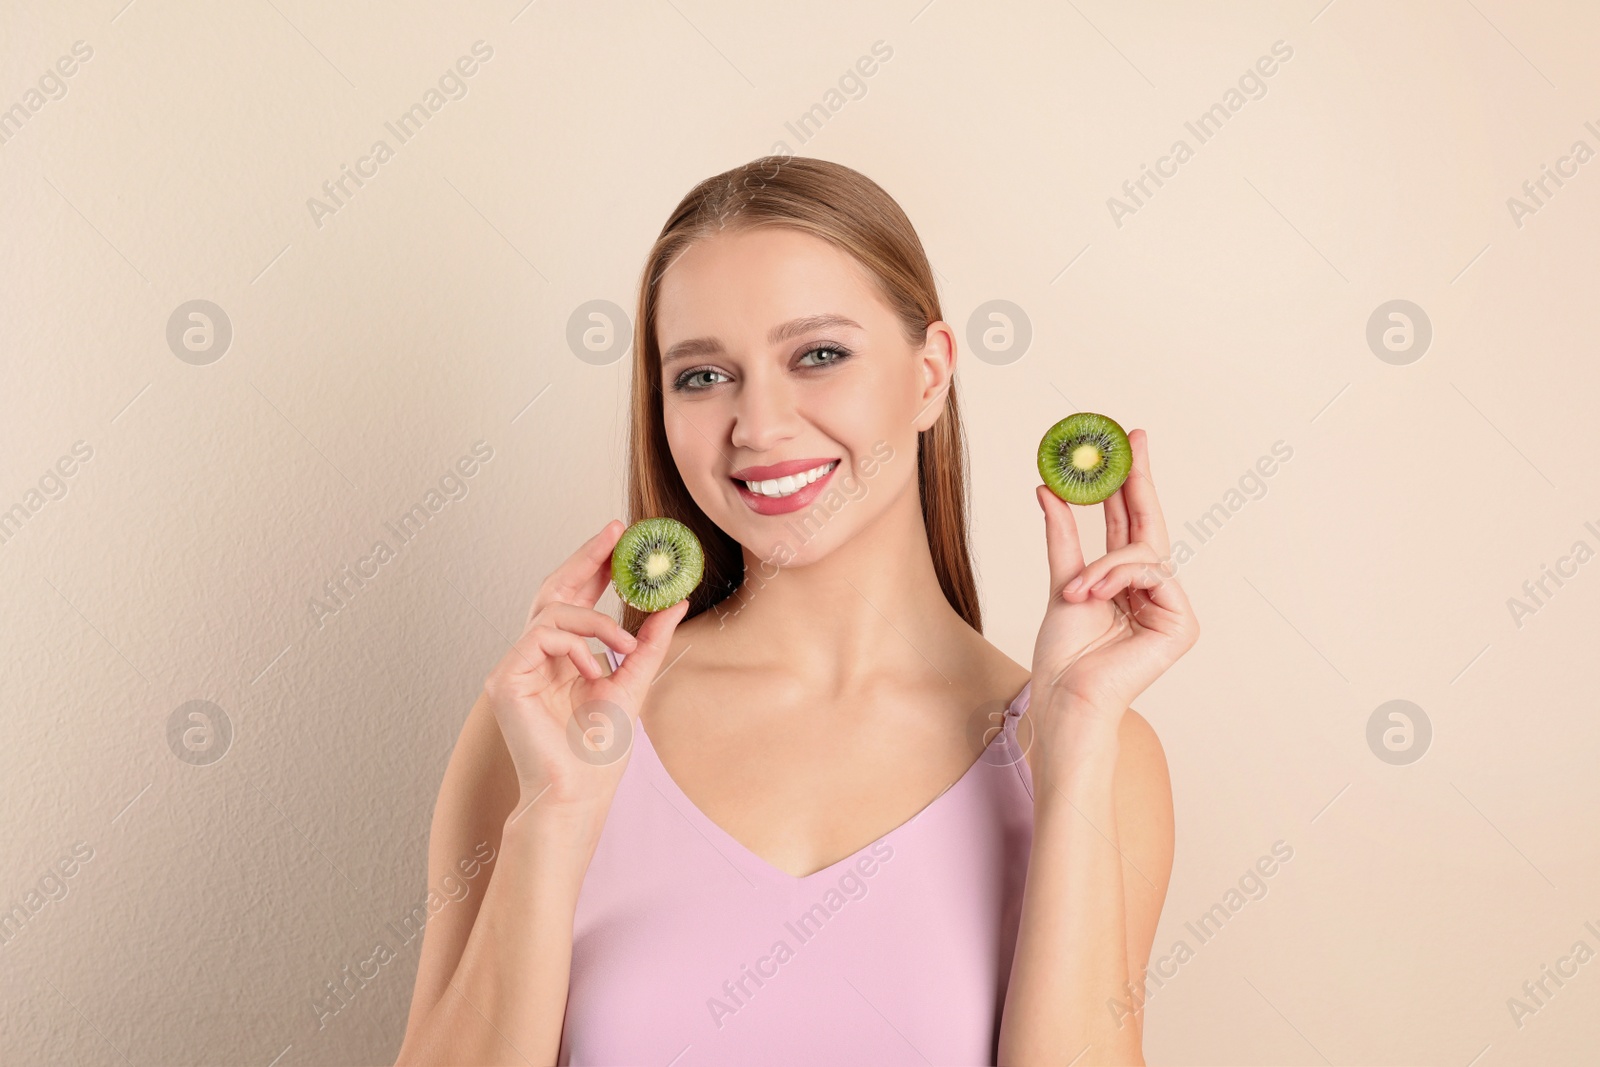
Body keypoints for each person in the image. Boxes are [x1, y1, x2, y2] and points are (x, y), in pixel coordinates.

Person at [394, 156, 1199, 1066]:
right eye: (702, 376)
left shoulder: (1098, 752)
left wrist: (1078, 744)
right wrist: (555, 817)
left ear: (929, 373)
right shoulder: (547, 723)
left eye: (818, 355)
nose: (760, 425)